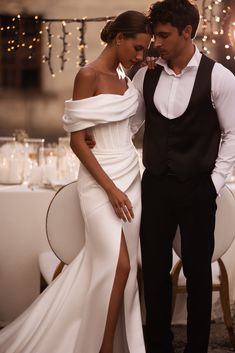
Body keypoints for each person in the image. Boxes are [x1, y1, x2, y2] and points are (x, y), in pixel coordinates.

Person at [0, 11, 152, 353]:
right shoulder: (88, 75)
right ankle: (104, 348)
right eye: (138, 48)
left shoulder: (127, 78)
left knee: (114, 269)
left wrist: (145, 70)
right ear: (119, 39)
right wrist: (110, 190)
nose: (140, 56)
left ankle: (109, 340)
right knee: (120, 264)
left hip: (129, 173)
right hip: (100, 184)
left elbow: (126, 127)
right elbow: (77, 142)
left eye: (145, 51)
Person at [131, 1, 235, 353]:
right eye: (154, 35)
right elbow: (132, 124)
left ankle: (197, 348)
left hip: (197, 188)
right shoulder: (146, 74)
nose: (155, 43)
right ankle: (158, 344)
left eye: (163, 35)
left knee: (198, 274)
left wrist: (214, 183)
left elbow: (233, 133)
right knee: (155, 272)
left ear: (187, 32)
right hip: (155, 185)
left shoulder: (220, 77)